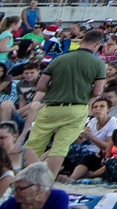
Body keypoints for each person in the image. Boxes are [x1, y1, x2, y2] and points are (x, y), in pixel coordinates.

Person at [25, 31, 105, 161]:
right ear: (97, 45)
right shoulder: (98, 63)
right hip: (76, 108)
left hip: (52, 106)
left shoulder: (60, 59)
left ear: (82, 41)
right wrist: (82, 94)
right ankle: (48, 179)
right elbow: (97, 92)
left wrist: (54, 92)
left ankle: (24, 177)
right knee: (60, 148)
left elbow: (40, 86)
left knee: (34, 144)